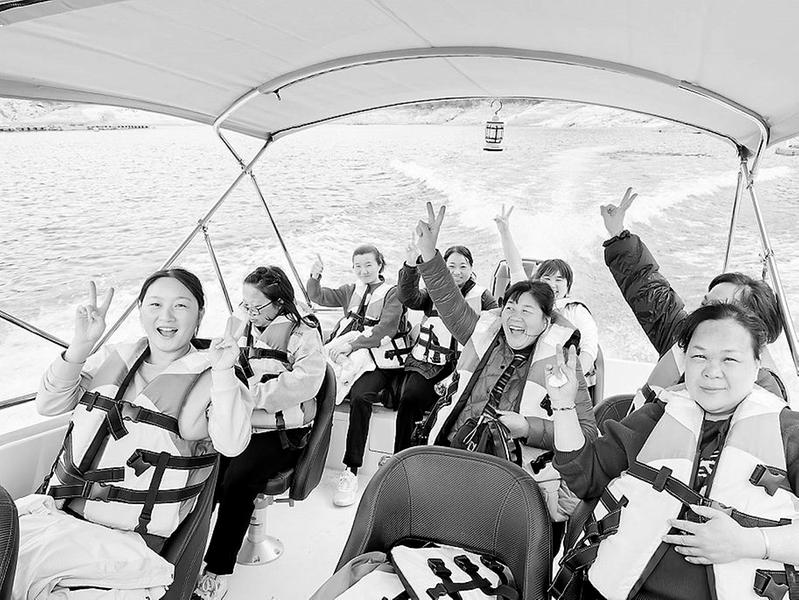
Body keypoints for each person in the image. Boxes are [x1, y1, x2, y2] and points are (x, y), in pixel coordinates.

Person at [15, 270, 252, 599]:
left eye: (181, 306)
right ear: (140, 310)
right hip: (58, 515)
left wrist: (225, 371)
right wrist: (80, 346)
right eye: (155, 304)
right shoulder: (115, 356)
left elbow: (232, 443)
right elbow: (49, 404)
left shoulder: (214, 374)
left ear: (200, 313)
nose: (166, 317)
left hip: (129, 542)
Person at [549, 302, 799, 600]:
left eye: (729, 359)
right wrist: (563, 404)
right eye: (699, 356)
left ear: (757, 365)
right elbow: (585, 475)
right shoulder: (655, 417)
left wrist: (751, 542)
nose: (711, 371)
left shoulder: (788, 433)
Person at [413, 202, 597, 542]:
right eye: (510, 307)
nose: (515, 316)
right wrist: (428, 253)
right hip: (454, 457)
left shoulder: (563, 365)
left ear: (546, 322)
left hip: (511, 482)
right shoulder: (483, 334)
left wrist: (528, 427)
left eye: (527, 311)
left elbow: (586, 434)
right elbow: (449, 301)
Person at [193, 266, 326, 600]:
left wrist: (249, 395)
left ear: (279, 303)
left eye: (257, 307)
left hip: (282, 434)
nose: (250, 313)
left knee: (238, 480)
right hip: (241, 423)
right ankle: (188, 551)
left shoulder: (304, 332)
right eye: (246, 305)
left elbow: (307, 382)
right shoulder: (243, 325)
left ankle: (218, 570)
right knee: (204, 470)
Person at [600, 186, 787, 406]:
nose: (703, 314)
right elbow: (648, 288)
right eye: (705, 305)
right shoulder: (687, 335)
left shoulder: (759, 392)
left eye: (717, 308)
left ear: (751, 326)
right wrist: (618, 234)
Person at [307, 245, 410, 507]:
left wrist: (352, 346)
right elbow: (318, 296)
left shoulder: (393, 294)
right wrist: (315, 276)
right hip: (347, 353)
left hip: (378, 362)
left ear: (380, 265)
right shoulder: (349, 290)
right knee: (316, 385)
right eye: (358, 266)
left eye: (368, 265)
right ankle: (305, 454)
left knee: (361, 397)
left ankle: (351, 469)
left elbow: (386, 329)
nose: (363, 271)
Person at [395, 241, 497, 452]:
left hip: (463, 367)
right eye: (451, 266)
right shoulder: (433, 292)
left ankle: (441, 458)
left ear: (471, 268)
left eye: (463, 266)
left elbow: (496, 328)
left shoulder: (484, 297)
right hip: (428, 365)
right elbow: (408, 298)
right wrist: (411, 266)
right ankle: (401, 455)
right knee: (409, 399)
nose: (457, 272)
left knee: (457, 411)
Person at [494, 205, 599, 390]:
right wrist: (504, 232)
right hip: (523, 374)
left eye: (559, 280)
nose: (552, 284)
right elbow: (515, 266)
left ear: (568, 286)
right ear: (537, 280)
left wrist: (570, 381)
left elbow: (589, 348)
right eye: (547, 278)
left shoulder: (575, 310)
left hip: (559, 380)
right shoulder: (528, 298)